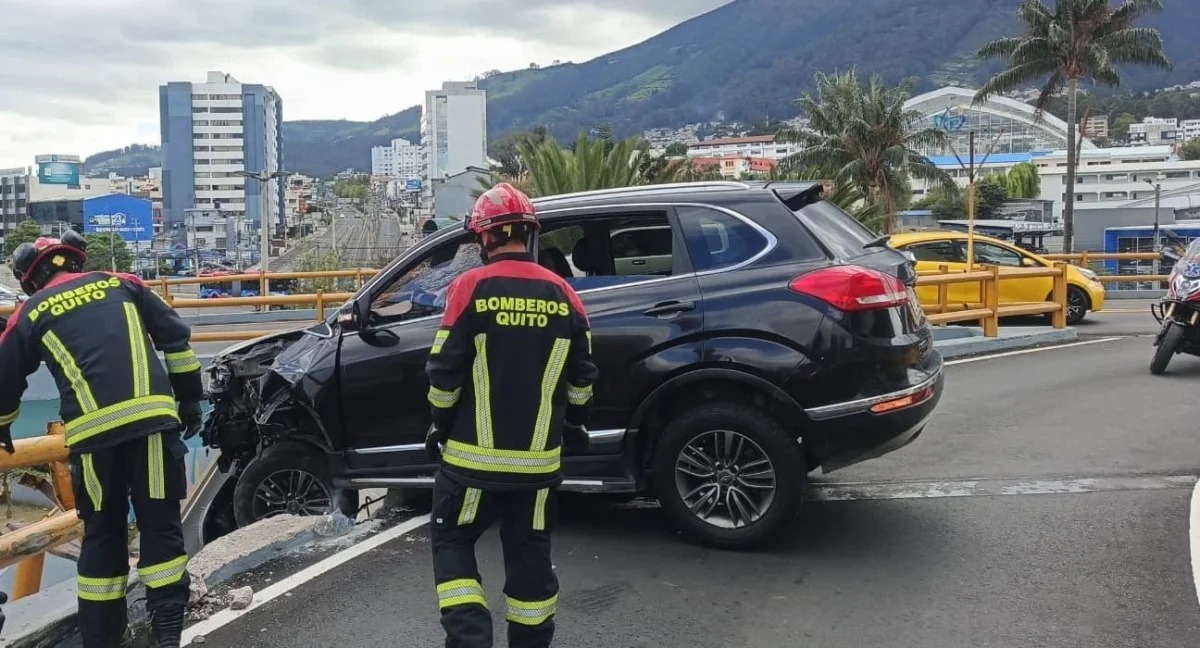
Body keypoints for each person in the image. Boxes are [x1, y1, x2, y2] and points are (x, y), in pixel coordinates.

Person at [0, 232, 204, 648]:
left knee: (103, 536)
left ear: (29, 278)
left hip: (94, 440)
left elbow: (5, 378)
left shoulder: (31, 311)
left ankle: (102, 639)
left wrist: (3, 425)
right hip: (152, 425)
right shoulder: (123, 283)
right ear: (78, 260)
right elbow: (176, 339)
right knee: (160, 527)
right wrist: (189, 400)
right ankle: (168, 635)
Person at [425, 183, 599, 648]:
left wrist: (440, 425)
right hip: (538, 469)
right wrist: (575, 424)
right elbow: (582, 377)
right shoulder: (564, 293)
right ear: (529, 233)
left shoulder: (469, 288)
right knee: (530, 559)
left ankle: (470, 639)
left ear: (484, 237)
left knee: (453, 542)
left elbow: (444, 375)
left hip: (469, 466)